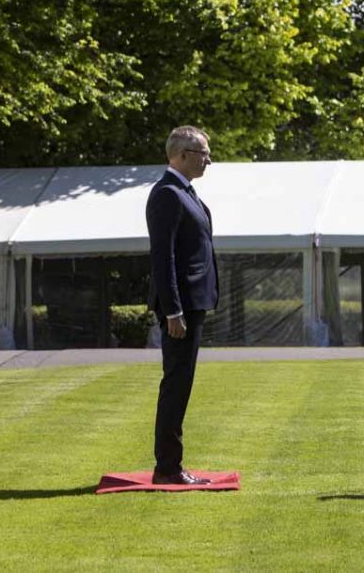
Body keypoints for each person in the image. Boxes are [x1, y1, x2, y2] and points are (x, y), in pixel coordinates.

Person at [146, 125, 219, 485]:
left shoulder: (186, 193)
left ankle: (170, 464)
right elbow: (163, 258)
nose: (208, 159)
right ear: (182, 155)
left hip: (193, 303)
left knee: (181, 382)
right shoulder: (167, 194)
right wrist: (172, 309)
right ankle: (168, 468)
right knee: (176, 383)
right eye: (203, 153)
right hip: (181, 308)